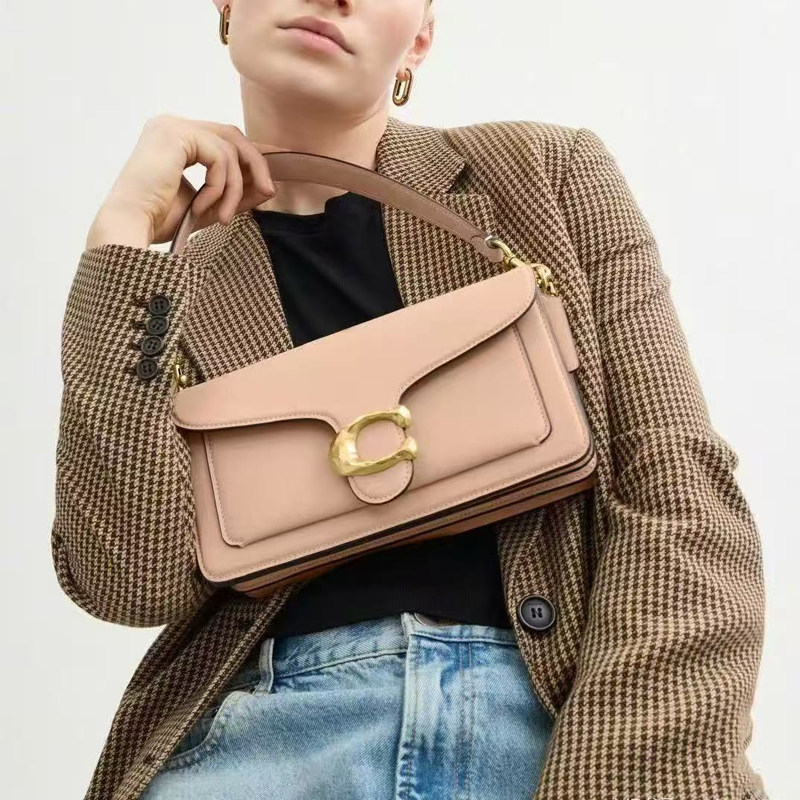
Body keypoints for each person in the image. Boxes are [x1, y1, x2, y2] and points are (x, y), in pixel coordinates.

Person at [50, 1, 768, 799]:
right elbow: (128, 580)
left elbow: (680, 496)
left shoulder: (544, 174)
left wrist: (617, 777)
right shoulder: (168, 286)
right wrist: (121, 244)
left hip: (564, 721)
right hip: (266, 741)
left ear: (418, 41)